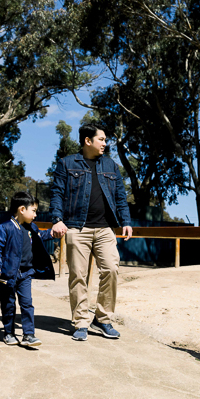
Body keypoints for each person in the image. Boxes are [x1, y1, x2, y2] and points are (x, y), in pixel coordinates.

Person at [49, 122, 132, 342]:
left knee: (111, 269)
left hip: (105, 228)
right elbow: (57, 193)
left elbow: (120, 196)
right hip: (77, 227)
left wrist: (125, 220)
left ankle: (102, 319)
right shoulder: (67, 163)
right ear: (88, 140)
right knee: (78, 276)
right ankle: (81, 322)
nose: (105, 143)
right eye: (101, 139)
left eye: (105, 140)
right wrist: (57, 219)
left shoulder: (111, 165)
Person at [0, 191, 55, 347]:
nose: (36, 214)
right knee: (8, 305)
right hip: (6, 275)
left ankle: (28, 335)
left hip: (26, 273)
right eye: (34, 210)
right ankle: (9, 333)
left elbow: (40, 236)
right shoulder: (4, 228)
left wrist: (52, 233)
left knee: (27, 304)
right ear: (22, 209)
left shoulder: (32, 227)